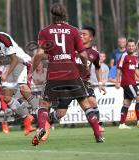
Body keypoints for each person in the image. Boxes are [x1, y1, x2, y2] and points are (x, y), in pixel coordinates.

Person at [32, 4, 104, 145]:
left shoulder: (45, 31)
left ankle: (41, 128)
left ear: (52, 15)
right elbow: (83, 54)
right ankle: (97, 134)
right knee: (86, 104)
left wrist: (32, 71)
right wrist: (84, 67)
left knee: (44, 104)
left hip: (54, 72)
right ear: (65, 15)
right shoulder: (74, 31)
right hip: (72, 72)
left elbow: (40, 53)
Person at [0, 21, 36, 136]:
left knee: (23, 89)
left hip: (21, 61)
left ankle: (42, 113)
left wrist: (5, 74)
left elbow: (14, 59)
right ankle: (27, 118)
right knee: (7, 98)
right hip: (6, 66)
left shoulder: (3, 38)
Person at [48, 25, 106, 134]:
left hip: (83, 83)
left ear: (91, 38)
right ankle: (48, 120)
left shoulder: (95, 54)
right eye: (79, 34)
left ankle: (97, 126)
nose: (81, 36)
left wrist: (100, 83)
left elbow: (98, 68)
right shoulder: (70, 49)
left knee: (92, 101)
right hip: (68, 84)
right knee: (61, 113)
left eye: (84, 34)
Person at [115, 38, 139, 129]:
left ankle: (122, 124)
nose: (131, 47)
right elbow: (118, 69)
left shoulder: (135, 57)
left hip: (131, 82)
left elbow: (136, 70)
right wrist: (117, 81)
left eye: (132, 46)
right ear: (126, 47)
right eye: (129, 46)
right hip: (128, 82)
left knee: (126, 103)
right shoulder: (124, 56)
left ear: (135, 47)